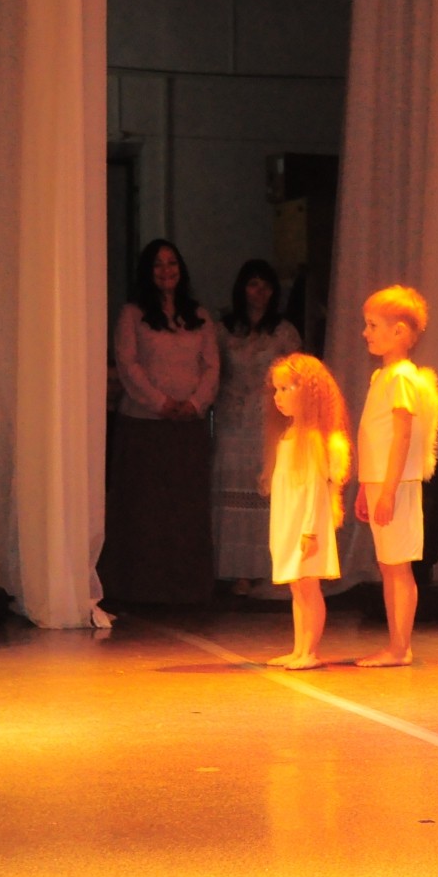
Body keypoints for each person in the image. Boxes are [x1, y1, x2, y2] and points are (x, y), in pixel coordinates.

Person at [99, 238, 220, 605]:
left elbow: (212, 366)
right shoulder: (132, 314)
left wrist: (194, 403)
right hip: (144, 427)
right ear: (147, 272)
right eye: (158, 264)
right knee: (145, 510)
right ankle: (140, 589)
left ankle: (185, 590)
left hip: (187, 428)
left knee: (184, 510)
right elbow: (128, 365)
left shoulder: (199, 315)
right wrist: (161, 402)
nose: (166, 270)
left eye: (172, 263)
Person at [352, 286, 438, 668]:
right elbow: (377, 437)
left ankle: (400, 647)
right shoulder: (382, 376)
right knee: (388, 565)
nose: (365, 333)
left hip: (397, 484)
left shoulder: (402, 376)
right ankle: (396, 644)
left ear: (400, 332)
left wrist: (388, 490)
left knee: (397, 566)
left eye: (373, 325)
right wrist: (366, 487)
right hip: (382, 483)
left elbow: (402, 436)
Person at [213, 259, 302, 595]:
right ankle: (235, 571)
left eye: (266, 285)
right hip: (231, 421)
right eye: (253, 284)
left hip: (269, 421)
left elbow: (299, 378)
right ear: (242, 288)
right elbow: (212, 371)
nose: (260, 291)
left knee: (265, 493)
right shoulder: (223, 330)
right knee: (232, 497)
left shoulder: (284, 332)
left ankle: (265, 569)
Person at [263, 353, 351, 668]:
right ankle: (299, 649)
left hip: (306, 526)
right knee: (297, 588)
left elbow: (315, 489)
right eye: (276, 389)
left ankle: (310, 652)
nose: (278, 397)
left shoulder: (312, 438)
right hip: (290, 522)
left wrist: (310, 530)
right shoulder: (289, 435)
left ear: (308, 393)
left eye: (286, 389)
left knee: (308, 588)